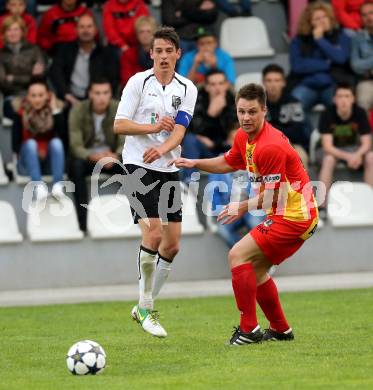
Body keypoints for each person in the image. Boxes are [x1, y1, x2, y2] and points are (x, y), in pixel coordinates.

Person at [171, 83, 318, 345]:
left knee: (237, 255)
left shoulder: (269, 146)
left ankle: (248, 329)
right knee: (256, 270)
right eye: (241, 112)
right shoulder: (243, 137)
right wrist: (195, 162)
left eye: (252, 112)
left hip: (295, 216)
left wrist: (239, 207)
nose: (246, 118)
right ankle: (281, 330)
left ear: (264, 111)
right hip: (291, 213)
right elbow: (228, 162)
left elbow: (276, 196)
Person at [113, 26, 198, 338]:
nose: (163, 56)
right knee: (154, 231)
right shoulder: (139, 82)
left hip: (166, 166)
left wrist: (163, 148)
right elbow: (119, 125)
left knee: (172, 245)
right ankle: (146, 306)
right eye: (158, 51)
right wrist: (150, 126)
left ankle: (142, 306)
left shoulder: (188, 88)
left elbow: (180, 130)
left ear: (178, 54)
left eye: (169, 51)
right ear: (151, 54)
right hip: (136, 164)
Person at [68, 78, 125, 232]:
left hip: (111, 158)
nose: (101, 97)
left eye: (105, 93)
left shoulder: (119, 109)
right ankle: (83, 223)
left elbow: (125, 141)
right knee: (76, 166)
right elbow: (76, 145)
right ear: (90, 94)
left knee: (133, 166)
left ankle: (140, 218)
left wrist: (115, 155)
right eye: (97, 93)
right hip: (89, 159)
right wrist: (94, 156)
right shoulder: (78, 110)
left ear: (110, 94)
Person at [317, 82, 373, 216]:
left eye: (347, 96)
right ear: (334, 99)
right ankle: (321, 206)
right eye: (340, 96)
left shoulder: (360, 112)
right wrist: (350, 157)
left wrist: (358, 155)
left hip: (354, 149)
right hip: (331, 151)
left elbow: (366, 143)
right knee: (329, 159)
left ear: (353, 99)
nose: (343, 100)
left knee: (371, 157)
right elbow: (328, 146)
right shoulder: (327, 113)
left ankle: (370, 202)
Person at [288, 1, 351, 113]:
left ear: (330, 18)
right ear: (309, 22)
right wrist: (327, 63)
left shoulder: (341, 35)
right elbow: (297, 66)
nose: (322, 21)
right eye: (317, 19)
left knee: (343, 105)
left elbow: (341, 58)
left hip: (332, 85)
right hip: (306, 84)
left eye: (325, 16)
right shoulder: (299, 40)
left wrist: (320, 40)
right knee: (292, 108)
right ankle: (309, 131)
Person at [12, 78, 65, 201]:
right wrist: (37, 150)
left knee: (56, 143)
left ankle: (58, 186)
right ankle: (38, 186)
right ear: (27, 97)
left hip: (49, 163)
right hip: (27, 164)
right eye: (33, 95)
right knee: (30, 144)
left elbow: (63, 139)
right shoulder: (19, 112)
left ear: (48, 96)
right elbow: (15, 145)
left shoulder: (56, 111)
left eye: (41, 95)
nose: (37, 99)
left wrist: (55, 110)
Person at [49, 13, 120, 106]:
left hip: (98, 99)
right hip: (70, 99)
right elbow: (55, 73)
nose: (85, 30)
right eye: (81, 27)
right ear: (76, 30)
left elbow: (113, 79)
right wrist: (66, 94)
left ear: (95, 30)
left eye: (89, 26)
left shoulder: (107, 53)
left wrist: (99, 97)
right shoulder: (64, 50)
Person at [181, 69, 237, 182]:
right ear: (206, 87)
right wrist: (211, 114)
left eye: (221, 83)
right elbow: (190, 131)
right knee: (190, 140)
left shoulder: (235, 103)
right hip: (203, 151)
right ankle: (190, 182)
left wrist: (214, 143)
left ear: (226, 85)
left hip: (225, 151)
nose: (217, 88)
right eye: (213, 84)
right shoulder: (197, 102)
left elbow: (232, 138)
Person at [262, 63, 309, 169]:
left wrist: (269, 128)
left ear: (283, 83)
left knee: (301, 156)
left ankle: (301, 186)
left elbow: (297, 133)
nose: (273, 84)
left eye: (277, 80)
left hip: (291, 144)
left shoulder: (293, 103)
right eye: (269, 81)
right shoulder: (257, 103)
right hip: (263, 146)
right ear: (263, 83)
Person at [0, 15, 45, 119]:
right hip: (13, 96)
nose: (13, 33)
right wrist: (30, 75)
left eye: (16, 29)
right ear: (4, 33)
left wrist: (14, 78)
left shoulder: (34, 50)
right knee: (15, 110)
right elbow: (3, 82)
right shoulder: (1, 55)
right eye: (9, 30)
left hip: (36, 94)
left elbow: (41, 76)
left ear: (22, 32)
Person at [119, 15, 157, 87]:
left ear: (154, 34)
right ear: (137, 34)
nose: (145, 35)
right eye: (141, 32)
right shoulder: (128, 54)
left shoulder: (162, 55)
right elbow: (126, 79)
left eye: (148, 31)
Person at [350, 2, 373, 116]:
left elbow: (361, 64)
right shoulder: (357, 38)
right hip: (367, 81)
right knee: (362, 102)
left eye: (371, 13)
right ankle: (364, 134)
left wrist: (367, 63)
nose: (369, 17)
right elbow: (355, 65)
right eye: (364, 15)